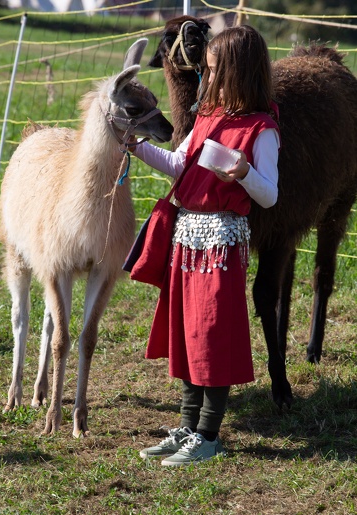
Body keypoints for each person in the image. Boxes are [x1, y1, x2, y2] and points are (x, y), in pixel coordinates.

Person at [130, 25, 280, 467]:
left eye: (212, 71)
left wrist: (243, 173)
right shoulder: (208, 118)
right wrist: (134, 146)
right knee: (189, 333)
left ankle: (209, 436)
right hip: (187, 241)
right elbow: (178, 164)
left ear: (237, 72)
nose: (205, 78)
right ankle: (187, 426)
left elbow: (269, 194)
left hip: (221, 242)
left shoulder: (262, 129)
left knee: (213, 334)